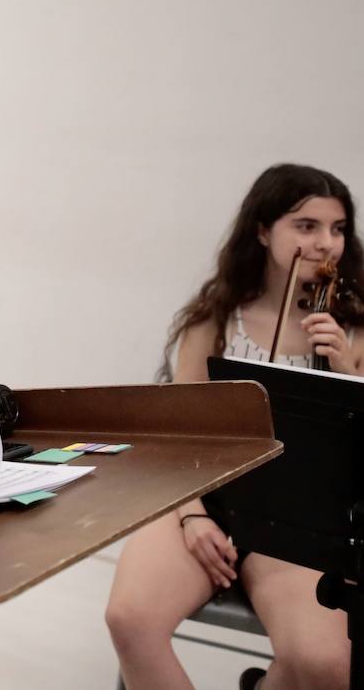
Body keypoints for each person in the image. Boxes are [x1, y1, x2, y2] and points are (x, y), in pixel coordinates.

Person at [106, 164, 361, 690]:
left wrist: (348, 374)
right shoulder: (215, 321)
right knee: (129, 619)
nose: (325, 244)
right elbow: (182, 438)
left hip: (298, 518)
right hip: (206, 496)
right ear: (264, 231)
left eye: (337, 229)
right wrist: (192, 517)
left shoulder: (352, 330)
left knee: (324, 664)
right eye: (306, 226)